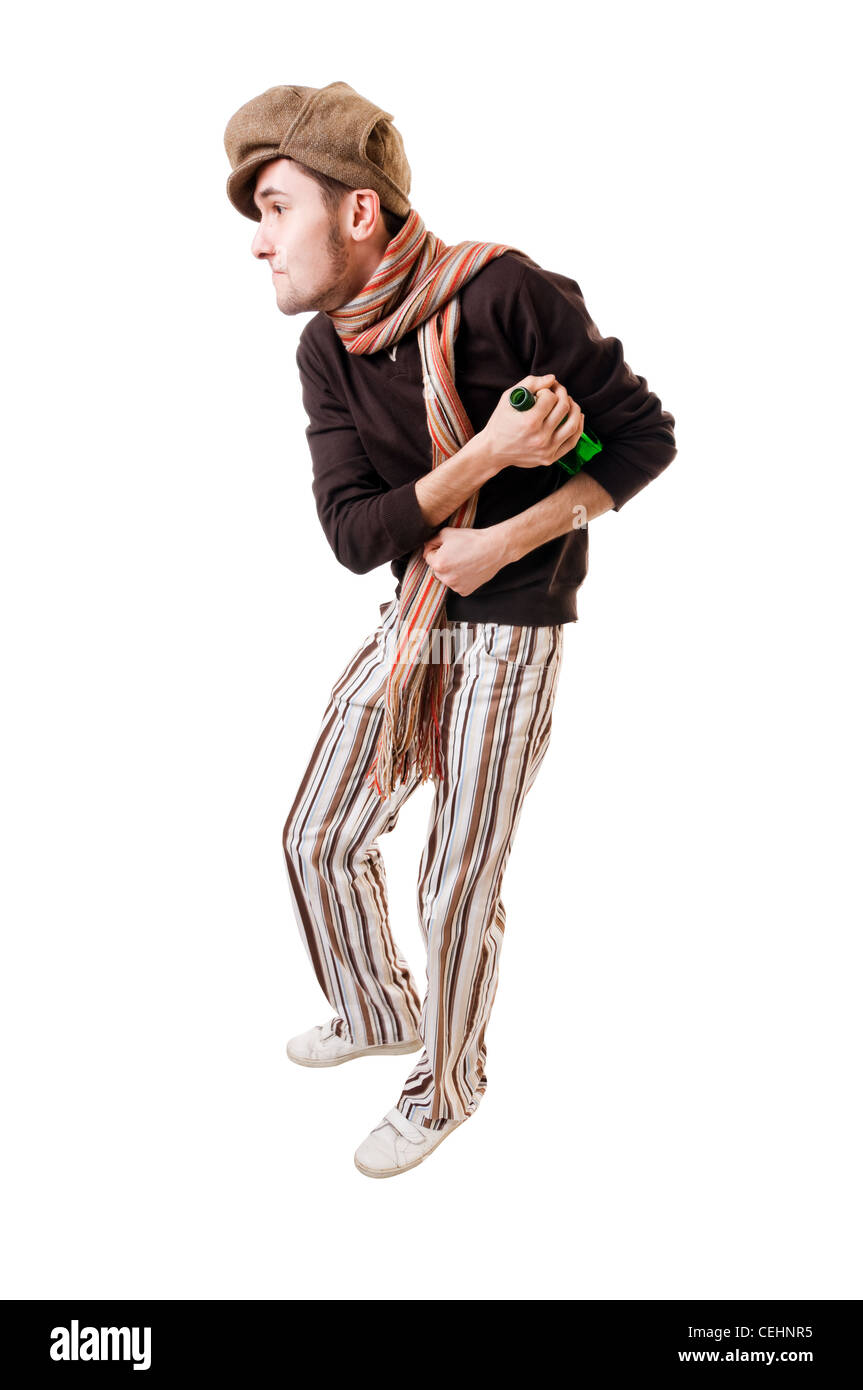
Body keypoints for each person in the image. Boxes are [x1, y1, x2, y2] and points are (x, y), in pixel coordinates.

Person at [223, 81, 677, 1179]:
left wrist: (507, 536)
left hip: (513, 627)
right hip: (417, 615)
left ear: (357, 212)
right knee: (315, 835)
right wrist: (486, 458)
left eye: (276, 209)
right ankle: (379, 1009)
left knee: (455, 881)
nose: (259, 243)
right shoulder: (328, 349)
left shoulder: (507, 294)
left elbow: (638, 439)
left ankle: (447, 1086)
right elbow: (353, 533)